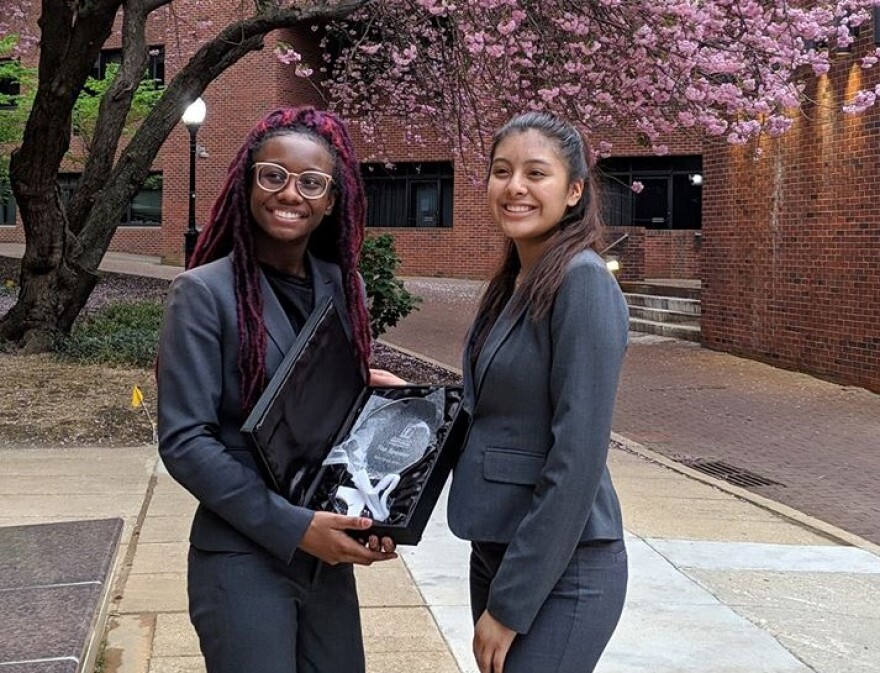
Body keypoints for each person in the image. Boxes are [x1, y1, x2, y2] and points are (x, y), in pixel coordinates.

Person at [157, 106, 401, 673]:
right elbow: (185, 442)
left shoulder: (345, 285)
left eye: (312, 183)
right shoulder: (201, 294)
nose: (291, 193)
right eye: (273, 175)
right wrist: (296, 528)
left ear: (332, 200)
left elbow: (329, 413)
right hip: (242, 553)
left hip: (327, 558)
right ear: (247, 183)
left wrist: (375, 517)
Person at [447, 111, 630, 673]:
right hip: (498, 548)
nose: (515, 188)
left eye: (536, 173)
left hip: (566, 568)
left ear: (574, 191)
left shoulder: (582, 283)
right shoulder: (516, 280)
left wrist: (511, 604)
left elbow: (576, 457)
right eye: (501, 171)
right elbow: (499, 408)